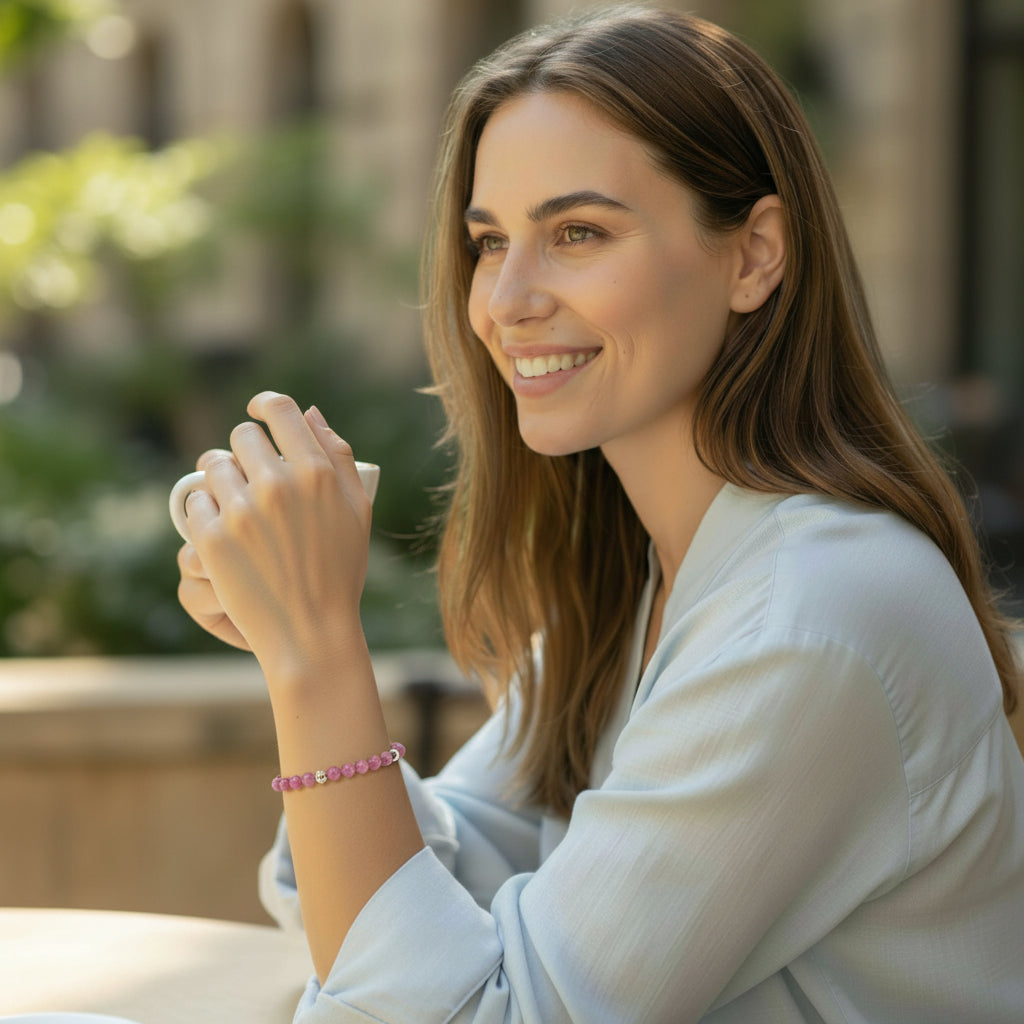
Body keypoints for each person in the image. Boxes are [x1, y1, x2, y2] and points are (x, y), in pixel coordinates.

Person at [176, 5, 1024, 1021]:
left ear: (754, 254)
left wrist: (317, 654)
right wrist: (288, 642)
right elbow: (410, 890)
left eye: (577, 232)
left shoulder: (812, 616)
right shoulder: (648, 575)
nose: (507, 299)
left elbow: (461, 1006)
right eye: (489, 242)